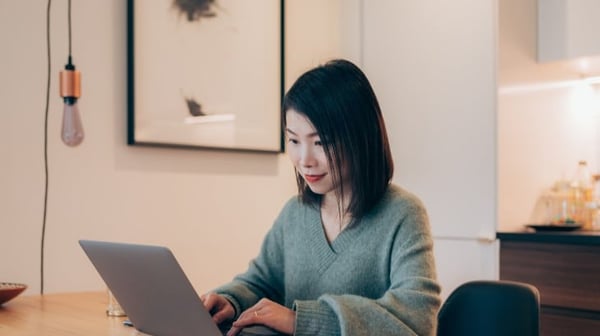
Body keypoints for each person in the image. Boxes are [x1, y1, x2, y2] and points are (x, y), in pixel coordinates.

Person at [202, 59, 441, 336]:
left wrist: (302, 321)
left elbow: (417, 321)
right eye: (293, 141)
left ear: (361, 137)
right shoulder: (295, 212)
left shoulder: (403, 213)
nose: (304, 160)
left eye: (321, 143)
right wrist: (230, 300)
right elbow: (261, 283)